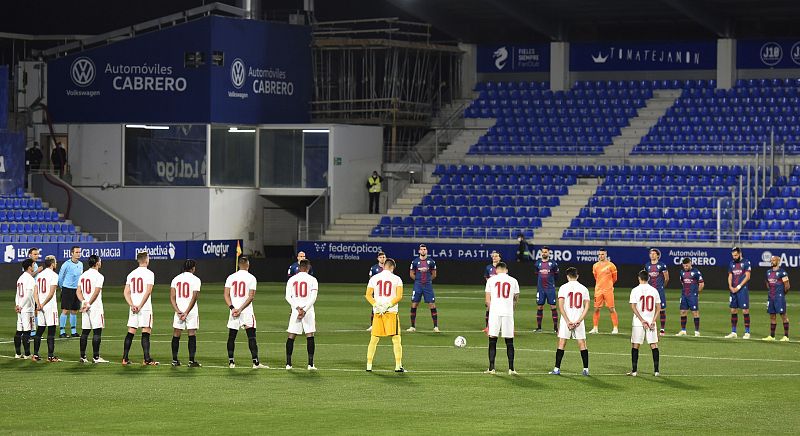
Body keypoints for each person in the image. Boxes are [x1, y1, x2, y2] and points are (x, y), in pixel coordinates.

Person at [224, 257, 267, 369]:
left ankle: (231, 362)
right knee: (251, 336)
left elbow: (226, 295)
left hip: (233, 311)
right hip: (246, 311)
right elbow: (251, 297)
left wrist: (233, 308)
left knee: (232, 336)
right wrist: (241, 309)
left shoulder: (231, 277)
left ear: (238, 265)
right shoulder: (251, 278)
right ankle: (255, 363)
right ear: (248, 265)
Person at [365, 258, 405, 372]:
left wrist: (376, 305)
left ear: (384, 266)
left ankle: (369, 365)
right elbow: (399, 296)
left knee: (374, 339)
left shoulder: (374, 278)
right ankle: (398, 365)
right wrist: (388, 305)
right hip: (391, 312)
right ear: (392, 268)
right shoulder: (397, 279)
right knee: (396, 339)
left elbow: (368, 295)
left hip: (378, 312)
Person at [550, 267, 591, 376]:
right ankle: (586, 369)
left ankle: (556, 369)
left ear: (567, 276)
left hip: (566, 320)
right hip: (579, 319)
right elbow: (587, 306)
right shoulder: (583, 288)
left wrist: (568, 321)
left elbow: (560, 306)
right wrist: (579, 320)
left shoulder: (563, 288)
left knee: (562, 343)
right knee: (582, 344)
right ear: (577, 276)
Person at [122, 252, 157, 366]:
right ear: (146, 260)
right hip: (144, 307)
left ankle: (125, 358)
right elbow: (148, 291)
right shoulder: (149, 273)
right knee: (146, 332)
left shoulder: (131, 274)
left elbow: (126, 292)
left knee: (131, 331)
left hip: (133, 308)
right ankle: (147, 359)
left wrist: (132, 305)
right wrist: (140, 305)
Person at [484, 262, 520, 375]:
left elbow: (487, 300)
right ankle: (511, 369)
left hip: (495, 313)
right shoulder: (513, 280)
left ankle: (491, 368)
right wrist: (511, 309)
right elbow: (516, 298)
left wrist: (492, 311)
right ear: (506, 270)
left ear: (496, 270)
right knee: (509, 341)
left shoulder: (491, 280)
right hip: (508, 313)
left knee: (492, 340)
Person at [285, 259, 318, 370]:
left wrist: (297, 308)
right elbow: (313, 298)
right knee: (310, 335)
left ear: (299, 268)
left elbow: (287, 297)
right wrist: (304, 309)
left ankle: (288, 364)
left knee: (291, 335)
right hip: (308, 310)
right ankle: (310, 364)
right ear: (308, 268)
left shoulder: (292, 279)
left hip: (296, 310)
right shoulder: (313, 280)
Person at [628, 270, 661, 377]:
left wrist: (642, 320)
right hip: (651, 321)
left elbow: (633, 306)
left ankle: (634, 371)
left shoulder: (635, 290)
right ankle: (656, 371)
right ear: (649, 278)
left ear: (639, 278)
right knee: (654, 344)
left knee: (635, 345)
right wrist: (654, 320)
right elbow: (658, 307)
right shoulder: (654, 290)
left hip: (638, 322)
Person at [170, 259, 202, 367]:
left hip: (179, 310)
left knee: (176, 334)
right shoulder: (196, 279)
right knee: (191, 334)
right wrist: (187, 312)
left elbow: (172, 297)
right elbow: (194, 297)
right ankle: (191, 361)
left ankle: (175, 360)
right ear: (193, 268)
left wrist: (178, 311)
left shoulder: (176, 279)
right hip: (191, 311)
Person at [76, 255, 108, 363]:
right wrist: (89, 303)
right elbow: (96, 292)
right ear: (97, 263)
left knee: (85, 332)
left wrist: (84, 302)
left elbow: (78, 291)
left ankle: (82, 356)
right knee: (97, 332)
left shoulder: (83, 275)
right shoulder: (99, 276)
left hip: (85, 307)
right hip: (95, 306)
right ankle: (96, 357)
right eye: (100, 261)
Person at [32, 256, 61, 362]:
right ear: (52, 264)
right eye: (55, 262)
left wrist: (38, 304)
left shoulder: (39, 275)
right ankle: (50, 356)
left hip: (40, 306)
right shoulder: (54, 275)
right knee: (51, 332)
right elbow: (51, 293)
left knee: (40, 330)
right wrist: (43, 304)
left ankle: (35, 355)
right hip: (49, 306)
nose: (56, 264)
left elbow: (35, 292)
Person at [407, 244, 439, 333]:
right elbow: (411, 274)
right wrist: (418, 280)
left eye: (424, 249)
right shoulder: (415, 262)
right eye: (421, 249)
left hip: (428, 286)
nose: (423, 251)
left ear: (426, 251)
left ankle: (435, 327)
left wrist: (427, 280)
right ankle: (412, 326)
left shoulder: (431, 262)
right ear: (419, 251)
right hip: (418, 285)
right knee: (414, 304)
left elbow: (434, 274)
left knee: (432, 305)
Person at [725, 247, 752, 339]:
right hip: (733, 290)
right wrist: (730, 286)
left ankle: (747, 332)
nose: (734, 257)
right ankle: (733, 332)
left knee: (745, 310)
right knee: (733, 310)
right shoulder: (731, 263)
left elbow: (747, 277)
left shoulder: (746, 262)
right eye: (733, 255)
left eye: (736, 255)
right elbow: (730, 276)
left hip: (742, 290)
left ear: (740, 253)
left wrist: (738, 287)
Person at [590, 248, 619, 334]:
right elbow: (596, 277)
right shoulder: (595, 266)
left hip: (608, 290)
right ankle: (595, 328)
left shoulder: (611, 265)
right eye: (599, 254)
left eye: (602, 254)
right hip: (598, 290)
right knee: (596, 309)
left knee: (611, 308)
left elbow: (615, 278)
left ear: (606, 255)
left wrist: (609, 285)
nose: (601, 256)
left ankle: (615, 328)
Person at [763, 256, 790, 342]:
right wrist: (771, 291)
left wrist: (782, 294)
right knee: (772, 316)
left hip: (779, 297)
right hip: (771, 297)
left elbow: (787, 286)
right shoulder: (768, 272)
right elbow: (767, 282)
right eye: (771, 260)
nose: (772, 262)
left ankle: (786, 336)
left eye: (773, 260)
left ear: (778, 261)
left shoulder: (783, 272)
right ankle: (772, 336)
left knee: (783, 315)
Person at [57, 246, 83, 338]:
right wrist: (62, 287)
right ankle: (62, 331)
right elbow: (60, 277)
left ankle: (73, 331)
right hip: (67, 289)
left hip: (76, 290)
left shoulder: (80, 264)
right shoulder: (66, 264)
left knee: (74, 310)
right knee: (65, 310)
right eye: (76, 252)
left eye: (79, 252)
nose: (78, 254)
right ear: (72, 253)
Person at [14, 259, 37, 359]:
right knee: (27, 331)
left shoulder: (20, 278)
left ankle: (18, 353)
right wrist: (21, 306)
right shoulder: (30, 279)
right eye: (33, 265)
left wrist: (18, 305)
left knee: (19, 330)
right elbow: (28, 294)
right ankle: (27, 354)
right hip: (27, 308)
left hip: (20, 308)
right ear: (29, 267)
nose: (34, 266)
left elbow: (17, 294)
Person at [534, 246, 559, 333]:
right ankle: (539, 327)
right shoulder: (537, 263)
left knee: (553, 307)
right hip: (540, 289)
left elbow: (556, 275)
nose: (544, 253)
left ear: (549, 253)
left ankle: (555, 328)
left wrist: (551, 283)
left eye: (545, 252)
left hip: (550, 288)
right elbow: (536, 273)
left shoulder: (553, 263)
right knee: (540, 306)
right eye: (543, 252)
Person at [676, 257, 703, 337]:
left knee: (695, 313)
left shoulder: (696, 272)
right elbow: (682, 282)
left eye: (687, 265)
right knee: (683, 312)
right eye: (684, 266)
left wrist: (696, 293)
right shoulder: (682, 272)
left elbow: (701, 284)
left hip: (692, 296)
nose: (685, 267)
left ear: (690, 263)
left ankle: (697, 332)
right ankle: (683, 330)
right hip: (684, 295)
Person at [645, 248, 669, 335]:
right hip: (650, 291)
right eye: (651, 253)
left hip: (659, 290)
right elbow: (645, 278)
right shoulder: (647, 265)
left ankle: (662, 329)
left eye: (654, 254)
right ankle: (649, 325)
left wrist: (662, 286)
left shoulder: (662, 265)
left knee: (662, 309)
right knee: (649, 309)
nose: (652, 255)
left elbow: (666, 278)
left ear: (658, 255)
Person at [367, 251, 387, 332]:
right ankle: (372, 325)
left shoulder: (388, 268)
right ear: (378, 258)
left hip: (386, 291)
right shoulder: (374, 268)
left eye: (383, 257)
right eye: (381, 257)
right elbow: (371, 279)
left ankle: (385, 324)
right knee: (375, 307)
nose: (382, 259)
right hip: (377, 291)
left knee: (386, 306)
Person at [482, 250, 502, 333]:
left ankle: (500, 326)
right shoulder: (488, 267)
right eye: (493, 256)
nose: (494, 257)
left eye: (496, 256)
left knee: (500, 309)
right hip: (491, 291)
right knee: (488, 308)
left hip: (500, 292)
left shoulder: (502, 267)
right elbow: (486, 277)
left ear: (499, 258)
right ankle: (488, 327)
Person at [28, 248, 44, 338]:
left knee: (36, 310)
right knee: (32, 311)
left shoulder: (35, 263)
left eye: (37, 254)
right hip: (30, 290)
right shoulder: (28, 264)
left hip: (36, 289)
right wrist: (38, 271)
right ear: (30, 255)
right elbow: (28, 276)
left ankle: (34, 331)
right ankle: (31, 332)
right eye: (35, 254)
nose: (37, 256)